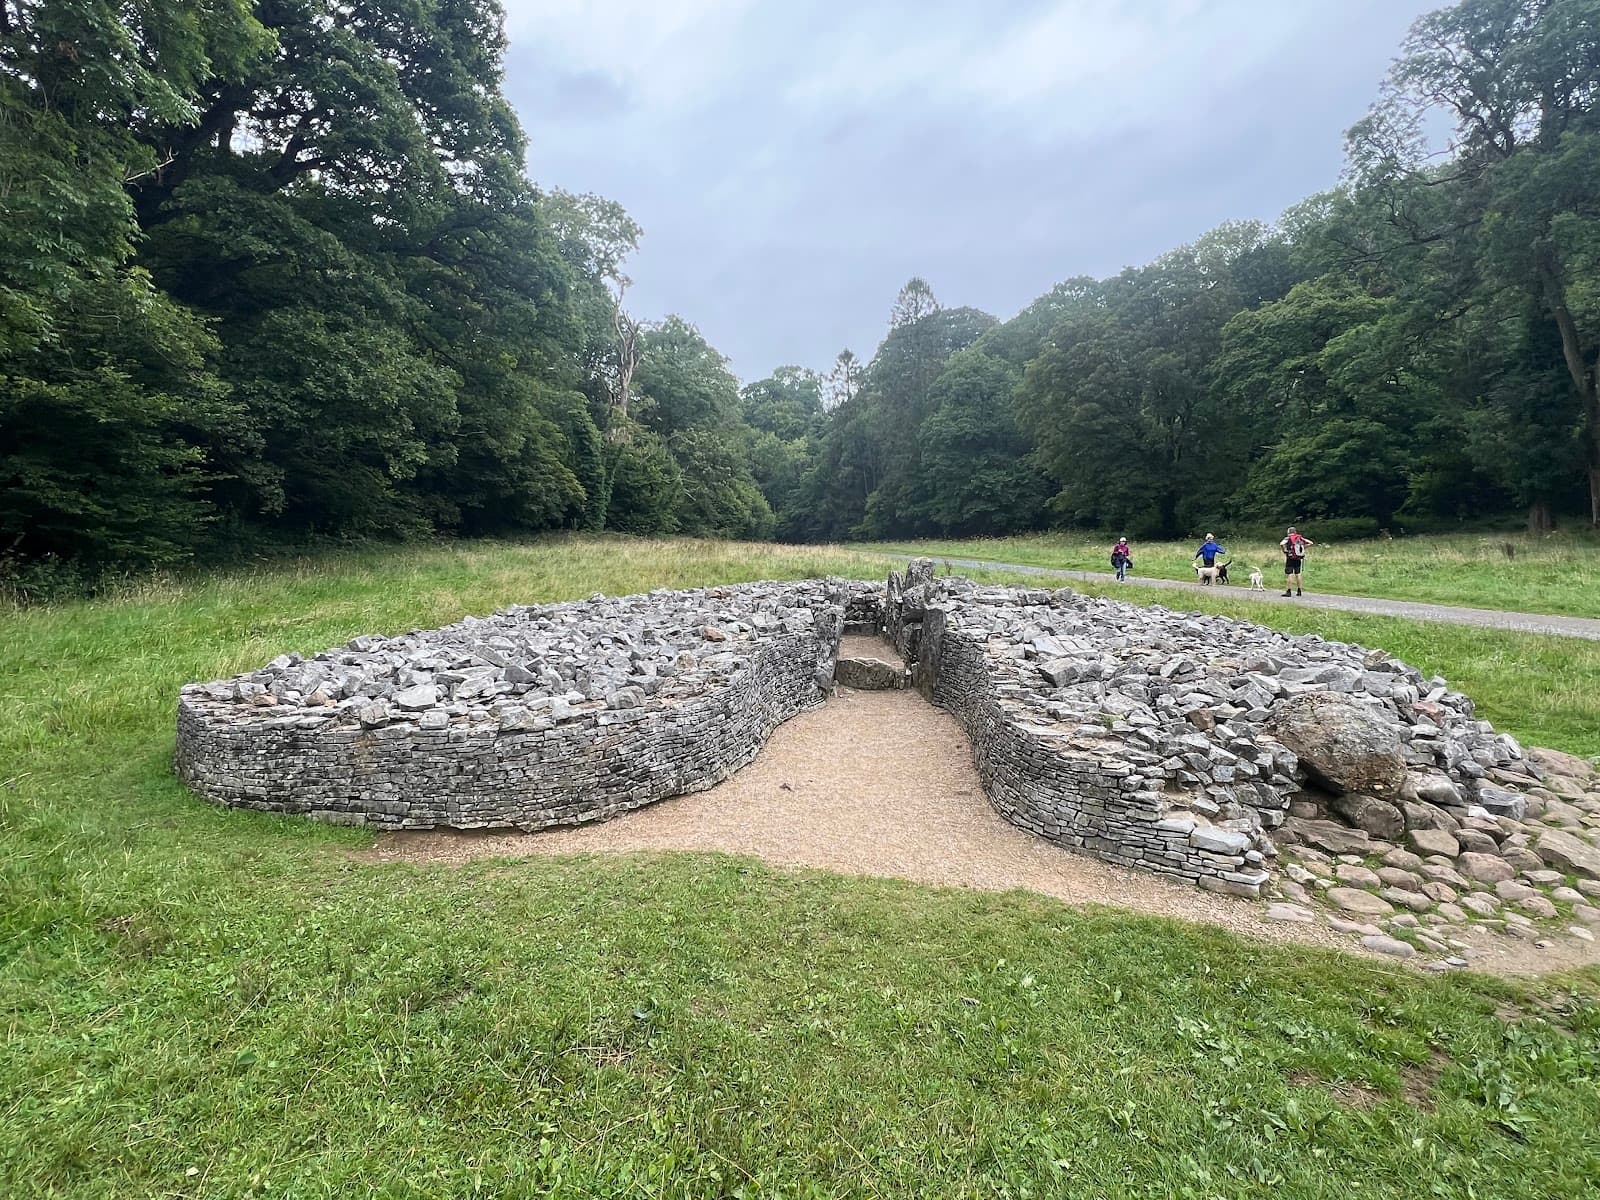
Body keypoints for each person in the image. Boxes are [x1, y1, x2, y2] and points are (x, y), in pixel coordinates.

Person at [1280, 526, 1315, 596]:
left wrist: (1284, 550)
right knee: (1298, 574)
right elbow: (1311, 543)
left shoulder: (1288, 538)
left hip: (1290, 558)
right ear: (1295, 532)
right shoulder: (1299, 538)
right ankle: (1299, 591)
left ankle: (1288, 591)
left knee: (1290, 574)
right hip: (1298, 558)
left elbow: (1281, 544)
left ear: (1288, 532)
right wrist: (1303, 548)